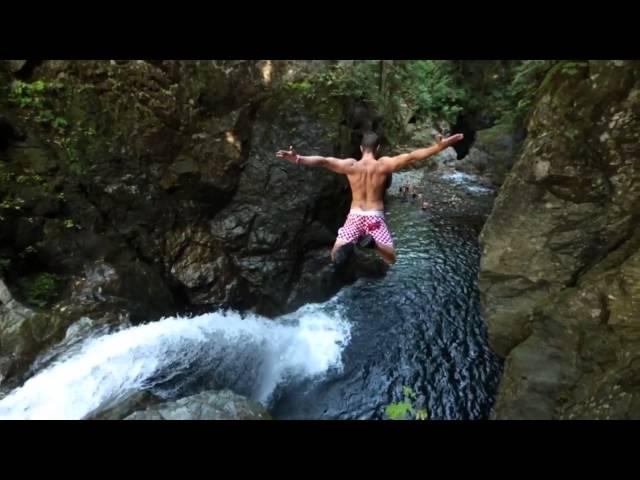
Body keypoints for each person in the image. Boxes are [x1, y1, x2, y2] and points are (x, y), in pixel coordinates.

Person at [276, 131, 463, 265]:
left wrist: (298, 158)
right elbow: (412, 157)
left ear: (360, 148)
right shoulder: (383, 164)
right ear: (378, 148)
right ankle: (373, 244)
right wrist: (438, 148)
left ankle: (349, 245)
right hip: (375, 217)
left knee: (335, 255)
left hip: (355, 215)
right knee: (390, 259)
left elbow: (324, 161)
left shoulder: (351, 165)